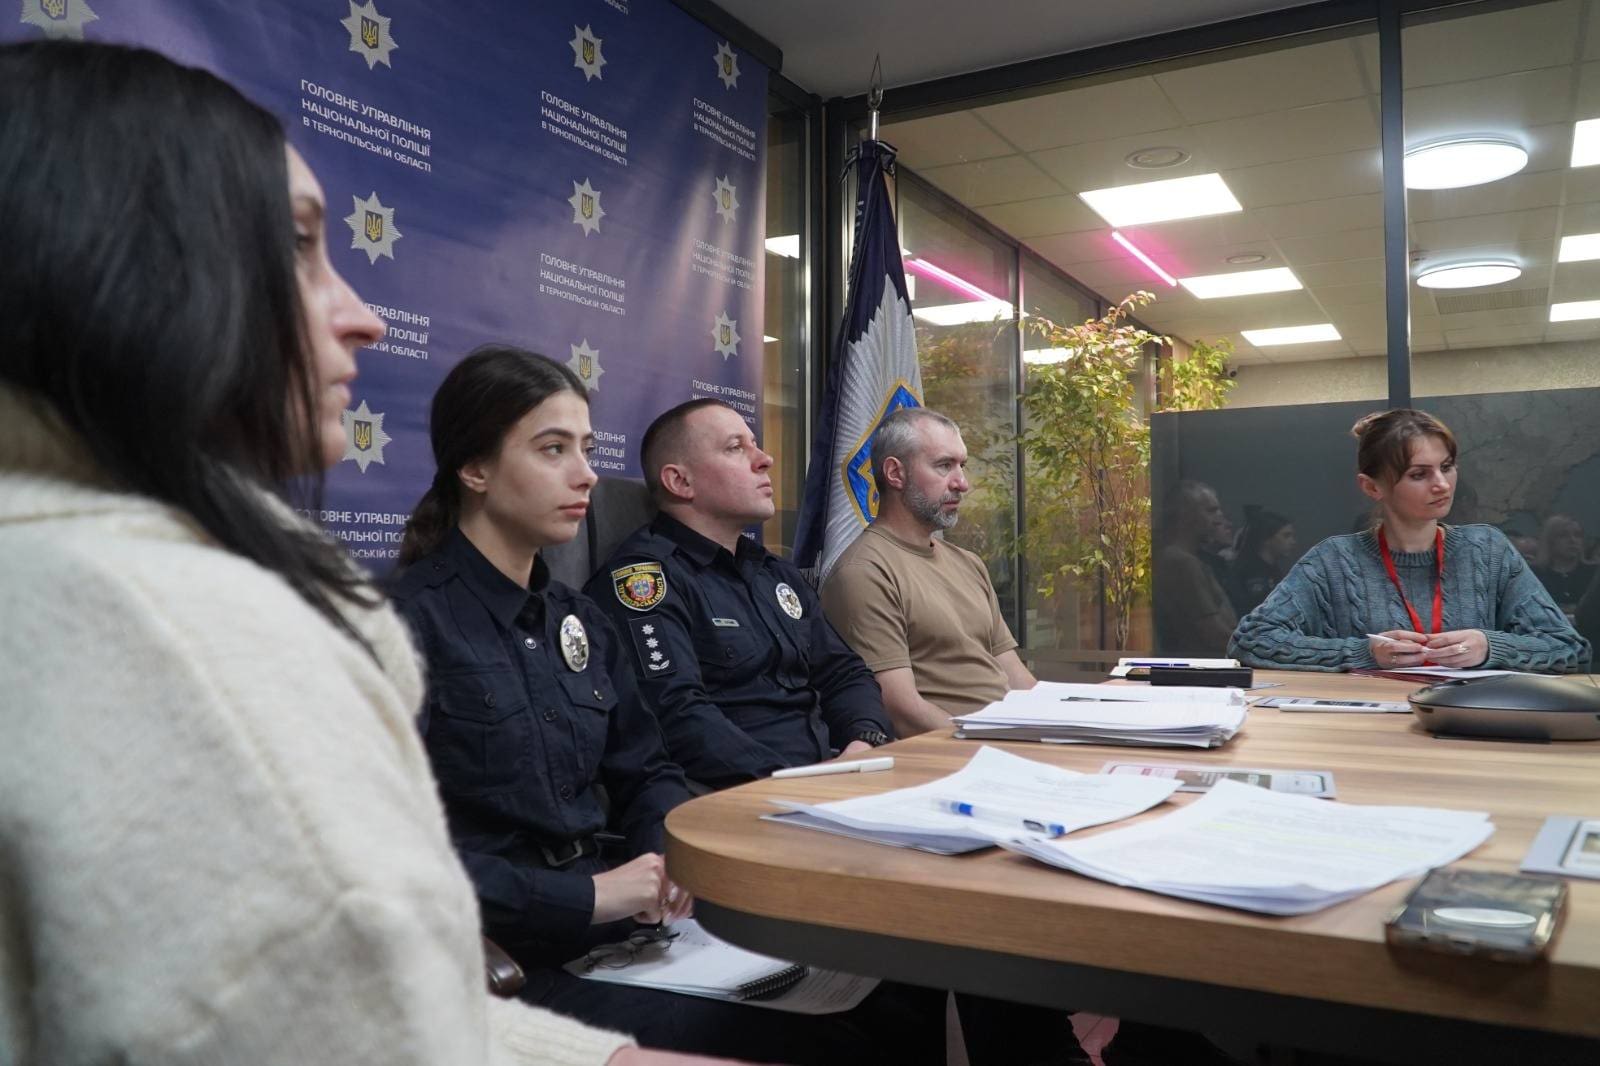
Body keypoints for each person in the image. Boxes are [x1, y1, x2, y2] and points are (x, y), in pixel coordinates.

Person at [0, 39, 726, 1066]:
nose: (365, 317)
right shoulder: (178, 626)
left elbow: (367, 1003)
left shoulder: (562, 616)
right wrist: (586, 908)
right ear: (130, 272)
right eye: (300, 246)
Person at [390, 350, 909, 1064]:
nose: (586, 474)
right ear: (474, 469)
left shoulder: (578, 620)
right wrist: (592, 897)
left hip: (631, 931)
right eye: (553, 449)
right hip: (512, 961)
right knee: (830, 1045)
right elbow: (392, 860)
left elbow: (647, 769)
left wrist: (660, 856)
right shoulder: (403, 626)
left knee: (892, 988)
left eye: (586, 448)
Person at [584, 398, 896, 789]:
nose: (765, 459)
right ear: (680, 482)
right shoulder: (645, 582)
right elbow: (675, 715)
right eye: (735, 448)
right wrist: (792, 782)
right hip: (734, 795)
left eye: (755, 444)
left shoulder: (774, 573)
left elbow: (844, 673)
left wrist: (864, 741)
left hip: (827, 780)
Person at [1229, 409, 1589, 673]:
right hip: (1366, 731)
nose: (1442, 485)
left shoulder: (1488, 550)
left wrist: (1490, 646)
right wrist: (1362, 654)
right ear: (1372, 487)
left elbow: (1568, 648)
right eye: (1419, 474)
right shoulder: (1333, 560)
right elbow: (1250, 640)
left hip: (1470, 726)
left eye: (1447, 467)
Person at [820, 407, 1033, 733]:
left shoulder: (969, 563)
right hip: (955, 752)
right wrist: (997, 745)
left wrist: (1069, 723)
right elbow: (900, 710)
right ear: (895, 473)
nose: (962, 483)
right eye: (944, 465)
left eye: (962, 466)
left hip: (1011, 739)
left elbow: (1019, 681)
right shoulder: (863, 572)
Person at [1153, 481, 1238, 655]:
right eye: (1211, 511)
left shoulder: (1190, 561)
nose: (1219, 518)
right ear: (1186, 515)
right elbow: (1214, 634)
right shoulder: (1181, 563)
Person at [1227, 506, 1298, 616]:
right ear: (1266, 539)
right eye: (1286, 536)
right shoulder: (1251, 572)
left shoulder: (1273, 569)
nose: (1293, 542)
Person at [1531, 514, 1596, 620]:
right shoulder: (1533, 574)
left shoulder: (1594, 573)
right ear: (1549, 540)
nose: (1573, 540)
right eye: (1563, 535)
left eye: (1578, 535)